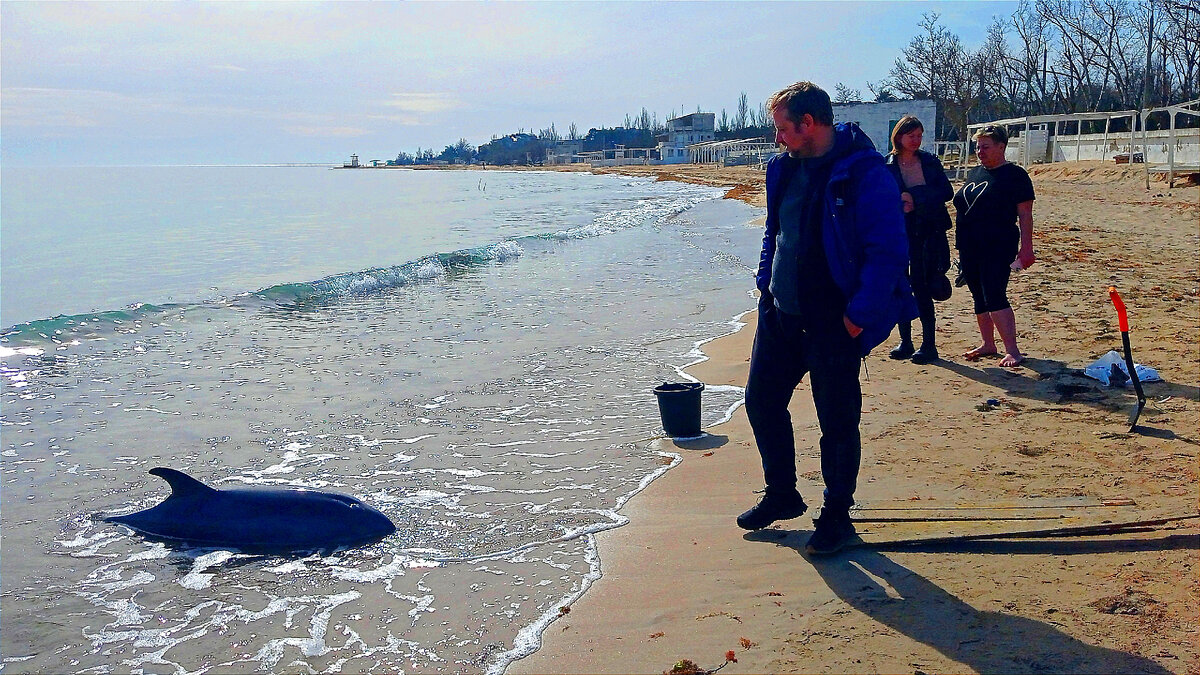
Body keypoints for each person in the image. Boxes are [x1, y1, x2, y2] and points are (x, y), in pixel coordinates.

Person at [738, 82, 917, 555]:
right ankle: (782, 494)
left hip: (834, 318)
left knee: (837, 420)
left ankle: (837, 513)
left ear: (809, 124)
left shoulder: (866, 173)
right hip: (780, 312)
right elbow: (774, 233)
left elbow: (889, 250)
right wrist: (765, 282)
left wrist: (859, 313)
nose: (776, 138)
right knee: (761, 402)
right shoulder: (782, 169)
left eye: (782, 128)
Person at [954, 125, 1036, 368]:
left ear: (1001, 146)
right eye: (978, 147)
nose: (980, 151)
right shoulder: (975, 173)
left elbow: (1025, 215)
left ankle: (1013, 350)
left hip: (998, 245)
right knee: (978, 295)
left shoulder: (1015, 175)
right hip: (969, 246)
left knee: (995, 294)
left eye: (985, 147)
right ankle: (988, 344)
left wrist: (1027, 248)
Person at [885, 115, 954, 364]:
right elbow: (880, 198)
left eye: (919, 136)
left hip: (929, 231)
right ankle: (905, 341)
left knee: (923, 286)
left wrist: (915, 196)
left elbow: (947, 192)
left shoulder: (930, 161)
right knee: (901, 286)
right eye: (911, 135)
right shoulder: (888, 165)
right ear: (899, 136)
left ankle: (929, 344)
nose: (916, 140)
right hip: (900, 233)